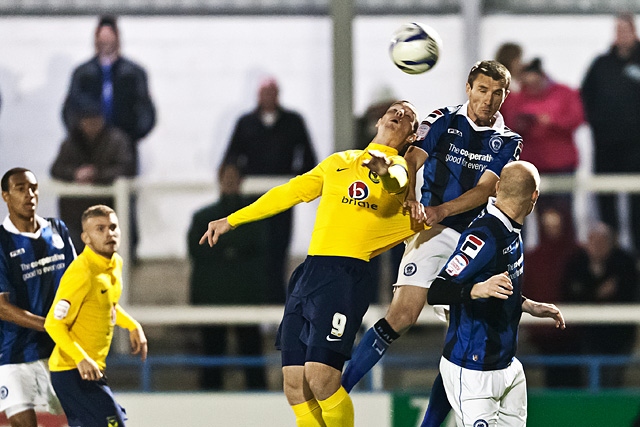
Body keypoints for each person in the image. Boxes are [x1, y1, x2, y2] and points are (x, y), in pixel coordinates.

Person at [201, 100, 425, 426]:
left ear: (411, 136)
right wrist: (234, 220)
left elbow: (398, 183)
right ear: (379, 120)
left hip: (346, 274)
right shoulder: (339, 161)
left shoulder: (400, 166)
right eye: (395, 109)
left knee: (321, 377)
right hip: (310, 271)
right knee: (294, 385)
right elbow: (289, 192)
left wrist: (384, 169)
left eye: (408, 116)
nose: (400, 114)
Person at [343, 59, 522, 418]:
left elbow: (486, 189)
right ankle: (339, 392)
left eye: (497, 93)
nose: (488, 99)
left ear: (504, 97)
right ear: (468, 89)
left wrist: (440, 210)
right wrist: (410, 195)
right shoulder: (443, 118)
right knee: (404, 314)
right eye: (482, 90)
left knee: (463, 337)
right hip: (434, 231)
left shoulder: (509, 140)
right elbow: (411, 159)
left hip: (474, 238)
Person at [427, 160, 565, 427]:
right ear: (534, 197)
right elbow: (437, 290)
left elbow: (497, 284)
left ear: (498, 187)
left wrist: (527, 305)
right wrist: (477, 290)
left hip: (508, 367)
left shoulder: (511, 230)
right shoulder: (483, 235)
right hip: (473, 369)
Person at [44, 205, 147, 427]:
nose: (109, 233)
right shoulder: (81, 272)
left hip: (92, 370)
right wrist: (80, 358)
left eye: (113, 227)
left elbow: (105, 306)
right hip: (71, 372)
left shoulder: (115, 263)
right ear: (86, 237)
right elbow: (53, 323)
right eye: (100, 229)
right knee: (114, 423)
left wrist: (132, 325)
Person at [222, 77, 317, 304]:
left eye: (271, 92)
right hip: (253, 198)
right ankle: (255, 302)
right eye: (264, 93)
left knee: (278, 251)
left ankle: (276, 305)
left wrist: (297, 181)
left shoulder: (293, 122)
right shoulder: (246, 123)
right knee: (254, 251)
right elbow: (232, 155)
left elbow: (308, 157)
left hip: (283, 198)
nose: (267, 97)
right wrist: (235, 174)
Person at [0, 167, 76, 427]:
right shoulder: (1, 242)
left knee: (89, 418)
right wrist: (48, 325)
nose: (29, 194)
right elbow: (2, 308)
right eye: (20, 189)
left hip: (58, 351)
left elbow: (77, 283)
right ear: (5, 196)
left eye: (32, 188)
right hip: (13, 354)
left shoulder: (57, 230)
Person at [187, 163, 269, 390]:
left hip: (246, 296)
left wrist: (224, 250)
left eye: (234, 176)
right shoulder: (203, 217)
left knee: (251, 350)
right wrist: (235, 251)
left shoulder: (255, 216)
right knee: (212, 351)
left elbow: (258, 248)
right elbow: (197, 249)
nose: (230, 181)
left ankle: (259, 399)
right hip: (212, 297)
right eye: (227, 176)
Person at [501, 56, 584, 242]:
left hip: (560, 166)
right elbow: (505, 125)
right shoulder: (516, 98)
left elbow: (577, 118)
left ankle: (564, 261)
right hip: (530, 166)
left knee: (561, 219)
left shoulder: (564, 93)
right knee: (525, 219)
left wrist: (551, 121)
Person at [62, 15, 155, 174]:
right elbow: (69, 111)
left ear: (118, 39)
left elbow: (146, 113)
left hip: (124, 151)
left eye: (110, 39)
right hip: (87, 150)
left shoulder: (133, 73)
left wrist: (129, 138)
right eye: (102, 39)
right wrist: (82, 137)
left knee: (123, 194)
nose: (106, 44)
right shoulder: (83, 73)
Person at [581, 12, 640, 253]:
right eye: (617, 30)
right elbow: (585, 97)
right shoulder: (601, 64)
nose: (621, 35)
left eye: (625, 30)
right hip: (606, 146)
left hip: (636, 148)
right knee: (606, 204)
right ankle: (611, 256)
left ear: (634, 32)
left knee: (637, 205)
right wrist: (599, 124)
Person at [51, 99, 135, 252]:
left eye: (94, 120)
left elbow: (126, 168)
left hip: (106, 212)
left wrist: (96, 175)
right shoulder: (71, 142)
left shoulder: (116, 141)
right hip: (75, 216)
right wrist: (75, 174)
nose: (91, 125)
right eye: (87, 121)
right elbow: (56, 169)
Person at [563, 221, 639, 387]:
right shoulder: (576, 263)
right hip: (587, 337)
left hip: (619, 337)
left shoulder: (625, 263)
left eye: (603, 241)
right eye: (594, 241)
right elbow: (569, 296)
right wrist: (597, 293)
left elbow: (629, 294)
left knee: (613, 382)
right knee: (589, 383)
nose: (598, 246)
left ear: (612, 243)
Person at [521, 207, 582, 388]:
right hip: (544, 332)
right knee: (552, 377)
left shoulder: (576, 255)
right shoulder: (533, 258)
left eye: (556, 225)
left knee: (573, 379)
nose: (552, 229)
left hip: (573, 331)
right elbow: (528, 289)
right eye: (548, 225)